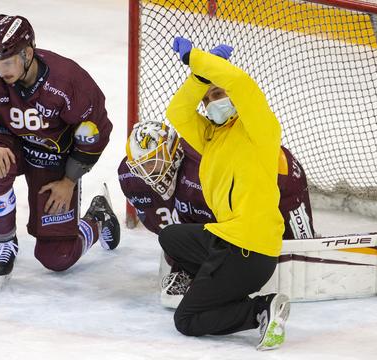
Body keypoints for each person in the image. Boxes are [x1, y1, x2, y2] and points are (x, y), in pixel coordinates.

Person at [0, 14, 120, 278]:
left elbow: (94, 132)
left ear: (27, 53)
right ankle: (4, 242)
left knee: (57, 257)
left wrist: (69, 181)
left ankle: (98, 217)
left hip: (51, 154)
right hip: (5, 138)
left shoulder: (68, 81)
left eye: (7, 62)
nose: (0, 71)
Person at [156, 37, 289, 350]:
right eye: (209, 97)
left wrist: (198, 59)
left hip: (249, 250)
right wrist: (199, 77)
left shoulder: (259, 129)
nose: (215, 100)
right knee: (171, 237)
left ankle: (260, 309)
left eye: (220, 92)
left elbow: (241, 83)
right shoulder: (210, 137)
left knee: (186, 320)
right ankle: (220, 288)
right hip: (227, 238)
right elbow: (177, 112)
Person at [119, 120, 314, 307]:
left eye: (153, 163)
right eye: (141, 166)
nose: (147, 174)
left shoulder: (201, 169)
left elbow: (236, 228)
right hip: (224, 191)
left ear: (173, 152)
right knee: (182, 229)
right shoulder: (130, 177)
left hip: (280, 174)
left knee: (298, 247)